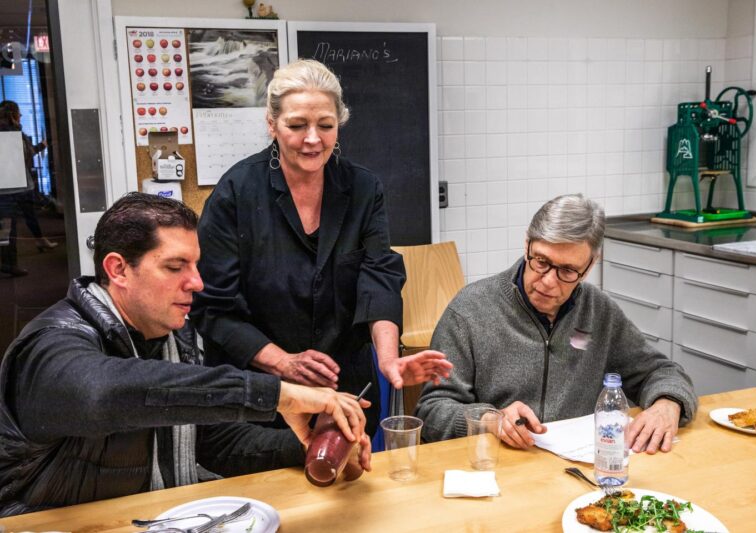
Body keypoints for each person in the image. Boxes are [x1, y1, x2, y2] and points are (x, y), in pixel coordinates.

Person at [0, 193, 371, 517]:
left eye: (195, 266)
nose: (197, 283)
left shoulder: (174, 334)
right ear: (118, 269)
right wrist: (279, 395)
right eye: (176, 267)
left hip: (146, 518)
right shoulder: (50, 344)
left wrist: (318, 444)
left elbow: (214, 443)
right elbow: (106, 394)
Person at [190, 59, 452, 433]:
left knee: (346, 480)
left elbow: (379, 276)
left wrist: (389, 359)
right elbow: (213, 308)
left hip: (343, 386)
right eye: (297, 126)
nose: (313, 138)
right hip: (262, 394)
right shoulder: (236, 193)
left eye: (326, 126)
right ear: (272, 125)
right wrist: (283, 363)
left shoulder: (363, 189)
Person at [416, 194, 698, 454]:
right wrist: (489, 419)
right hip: (497, 469)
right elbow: (432, 411)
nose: (548, 281)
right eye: (541, 261)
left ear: (589, 266)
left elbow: (661, 372)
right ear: (527, 245)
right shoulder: (469, 311)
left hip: (578, 470)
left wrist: (667, 404)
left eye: (567, 270)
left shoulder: (598, 311)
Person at [0, 101, 57, 257]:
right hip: (18, 186)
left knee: (11, 223)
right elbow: (24, 154)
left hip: (10, 186)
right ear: (13, 115)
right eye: (19, 114)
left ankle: (36, 242)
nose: (20, 117)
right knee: (17, 221)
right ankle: (10, 261)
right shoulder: (13, 133)